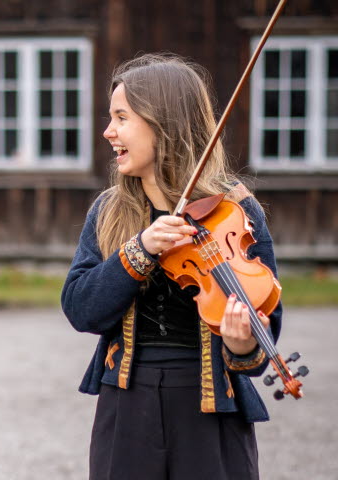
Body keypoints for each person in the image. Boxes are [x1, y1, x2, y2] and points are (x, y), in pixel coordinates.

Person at [61, 53, 281, 480]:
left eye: (121, 118)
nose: (109, 132)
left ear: (163, 123)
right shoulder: (109, 210)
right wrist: (138, 251)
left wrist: (241, 345)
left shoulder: (237, 210)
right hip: (125, 401)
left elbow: (263, 338)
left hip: (211, 405)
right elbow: (81, 309)